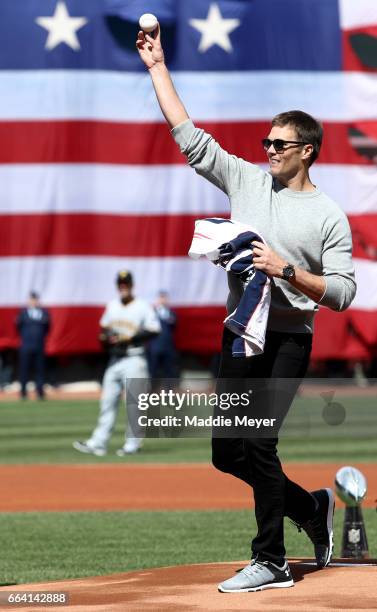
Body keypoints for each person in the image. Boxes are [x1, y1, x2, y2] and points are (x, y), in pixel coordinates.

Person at [136, 25, 356, 592]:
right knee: (226, 454)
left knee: (259, 442)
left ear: (306, 150)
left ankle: (272, 561)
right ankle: (312, 508)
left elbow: (343, 292)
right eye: (266, 143)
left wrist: (287, 269)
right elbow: (189, 137)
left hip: (286, 340)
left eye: (278, 145)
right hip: (240, 337)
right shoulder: (248, 182)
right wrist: (157, 66)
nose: (267, 151)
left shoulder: (329, 215)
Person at [73, 270, 161, 456]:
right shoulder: (112, 306)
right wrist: (106, 339)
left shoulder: (142, 306)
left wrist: (129, 339)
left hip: (134, 358)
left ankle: (132, 445)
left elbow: (154, 330)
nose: (123, 286)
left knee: (135, 404)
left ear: (131, 285)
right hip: (115, 360)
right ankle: (99, 443)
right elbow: (104, 331)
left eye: (126, 283)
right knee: (107, 403)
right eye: (121, 283)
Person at [16, 291, 50, 399]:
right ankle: (23, 392)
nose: (33, 302)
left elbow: (47, 328)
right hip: (26, 345)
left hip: (39, 345)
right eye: (31, 300)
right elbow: (18, 327)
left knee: (40, 370)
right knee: (24, 369)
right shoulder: (23, 314)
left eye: (35, 300)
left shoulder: (44, 313)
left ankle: (39, 391)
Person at [147, 291, 178, 381]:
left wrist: (166, 315)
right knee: (152, 371)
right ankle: (151, 392)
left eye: (164, 298)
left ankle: (168, 393)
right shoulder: (151, 312)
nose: (162, 300)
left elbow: (174, 325)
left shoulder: (171, 313)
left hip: (168, 347)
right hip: (154, 347)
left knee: (168, 372)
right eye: (161, 298)